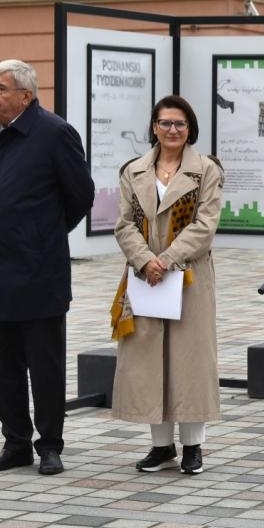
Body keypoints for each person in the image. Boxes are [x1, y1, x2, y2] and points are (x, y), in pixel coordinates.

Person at [0, 60, 94, 476]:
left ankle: (51, 445)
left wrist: (43, 234)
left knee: (44, 365)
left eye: (0, 88)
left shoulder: (54, 133)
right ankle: (15, 442)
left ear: (26, 95)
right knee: (2, 363)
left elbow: (81, 195)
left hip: (39, 270)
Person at [109, 96, 223, 475]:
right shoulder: (134, 171)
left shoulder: (205, 170)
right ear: (154, 127)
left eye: (180, 123)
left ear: (190, 128)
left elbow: (205, 225)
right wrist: (145, 260)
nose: (172, 130)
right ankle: (161, 446)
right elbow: (124, 223)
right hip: (145, 277)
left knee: (189, 362)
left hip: (188, 275)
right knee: (148, 359)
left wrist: (167, 260)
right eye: (165, 123)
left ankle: (193, 446)